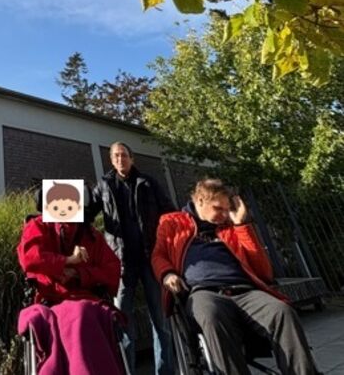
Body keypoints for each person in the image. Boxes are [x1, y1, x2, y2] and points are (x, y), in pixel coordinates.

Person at [152, 178, 318, 375]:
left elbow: (264, 270)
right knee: (211, 316)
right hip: (203, 292)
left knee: (282, 312)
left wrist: (241, 225)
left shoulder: (231, 225)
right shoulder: (172, 222)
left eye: (226, 209)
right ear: (200, 201)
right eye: (218, 208)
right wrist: (168, 273)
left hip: (245, 290)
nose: (224, 214)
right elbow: (159, 254)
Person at [86, 142, 175, 375]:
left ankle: (164, 371)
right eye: (115, 156)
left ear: (131, 158)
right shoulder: (104, 186)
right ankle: (127, 371)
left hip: (150, 257)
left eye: (123, 155)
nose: (119, 159)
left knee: (160, 320)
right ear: (111, 160)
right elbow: (86, 214)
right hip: (121, 262)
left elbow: (169, 212)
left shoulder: (148, 183)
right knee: (123, 321)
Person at [17, 186, 124, 374]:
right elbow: (30, 258)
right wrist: (67, 261)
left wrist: (79, 274)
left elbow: (111, 268)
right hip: (50, 297)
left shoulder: (91, 235)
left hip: (86, 298)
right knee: (71, 315)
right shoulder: (38, 226)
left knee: (84, 312)